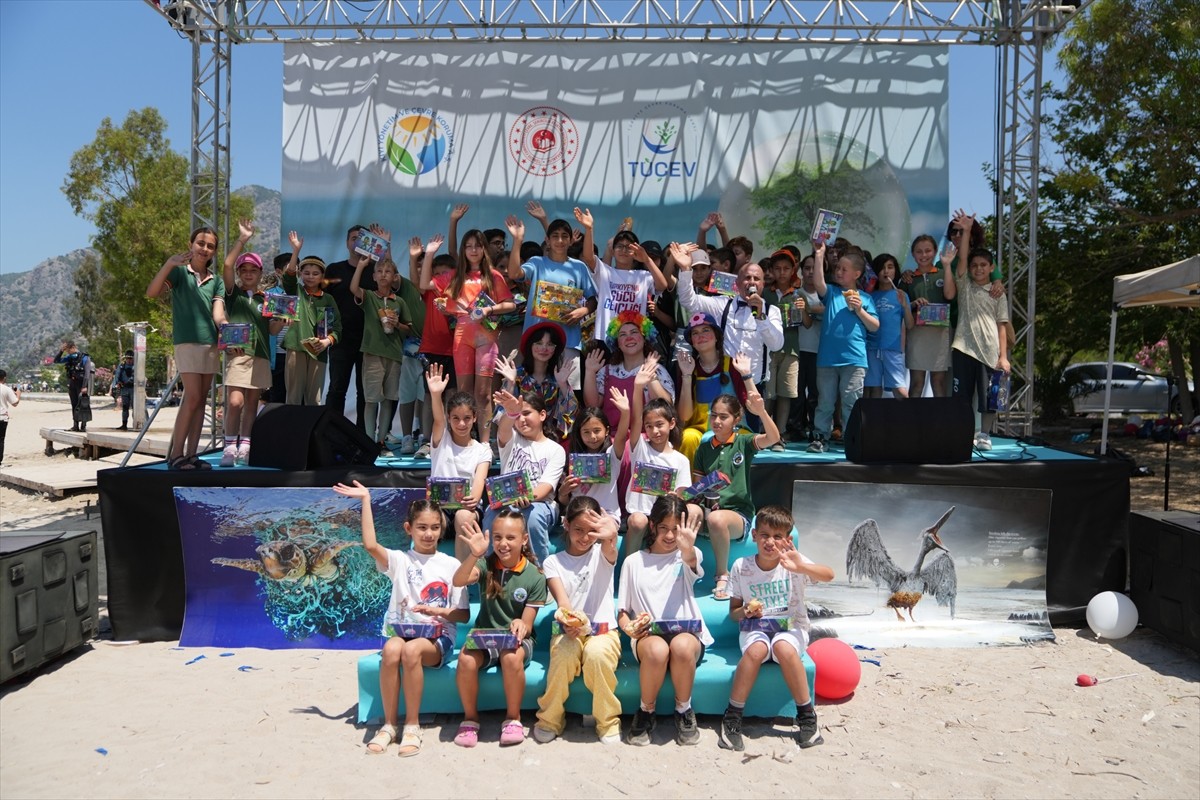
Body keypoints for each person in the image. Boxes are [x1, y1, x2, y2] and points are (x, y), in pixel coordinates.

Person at [332, 482, 469, 757]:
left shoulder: (451, 565)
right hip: (403, 633)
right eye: (421, 527)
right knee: (393, 648)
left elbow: (462, 615)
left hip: (437, 640)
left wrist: (439, 613)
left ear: (442, 530)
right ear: (409, 529)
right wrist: (366, 500)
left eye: (434, 527)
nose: (428, 534)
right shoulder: (399, 560)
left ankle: (412, 724)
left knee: (410, 648)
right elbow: (370, 545)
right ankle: (389, 724)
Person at [720, 504, 834, 752]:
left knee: (783, 646)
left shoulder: (794, 562)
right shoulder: (742, 566)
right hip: (755, 627)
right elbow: (733, 614)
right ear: (754, 536)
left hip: (791, 627)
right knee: (756, 650)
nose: (770, 542)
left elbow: (829, 575)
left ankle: (806, 715)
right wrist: (746, 612)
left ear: (787, 539)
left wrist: (800, 567)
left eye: (777, 536)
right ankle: (733, 715)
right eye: (764, 535)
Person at [617, 495, 713, 747]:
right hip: (648, 636)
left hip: (687, 634)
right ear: (652, 526)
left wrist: (688, 548)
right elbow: (623, 611)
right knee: (657, 650)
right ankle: (646, 711)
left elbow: (693, 564)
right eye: (664, 528)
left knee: (681, 647)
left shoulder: (687, 555)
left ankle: (684, 709)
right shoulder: (633, 562)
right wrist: (630, 628)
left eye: (675, 530)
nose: (670, 536)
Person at [453, 510, 548, 748]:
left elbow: (527, 623)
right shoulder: (486, 565)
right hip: (485, 635)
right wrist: (474, 555)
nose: (503, 544)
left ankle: (513, 718)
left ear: (524, 539)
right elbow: (458, 580)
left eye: (510, 538)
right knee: (465, 659)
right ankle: (470, 719)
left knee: (511, 657)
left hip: (518, 639)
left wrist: (520, 624)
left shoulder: (535, 576)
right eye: (497, 537)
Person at [532, 496, 623, 745]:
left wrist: (609, 534)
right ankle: (550, 719)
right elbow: (563, 603)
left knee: (597, 655)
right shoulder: (553, 562)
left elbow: (610, 549)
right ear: (566, 525)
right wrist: (570, 622)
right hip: (568, 628)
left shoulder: (601, 553)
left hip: (604, 632)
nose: (585, 537)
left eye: (591, 531)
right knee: (563, 654)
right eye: (578, 530)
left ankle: (607, 720)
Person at [423, 229, 516, 443]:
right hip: (462, 335)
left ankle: (484, 442)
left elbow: (510, 304)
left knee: (483, 394)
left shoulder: (493, 276)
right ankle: (461, 441)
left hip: (486, 337)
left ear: (484, 249)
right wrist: (428, 254)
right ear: (463, 250)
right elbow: (424, 284)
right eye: (469, 246)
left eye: (478, 246)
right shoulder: (455, 276)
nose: (473, 250)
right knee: (463, 394)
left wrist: (488, 310)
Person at [146, 227, 226, 470]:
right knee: (191, 397)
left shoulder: (217, 280)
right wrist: (169, 264)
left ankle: (192, 455)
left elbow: (218, 315)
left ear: (214, 251)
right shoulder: (180, 273)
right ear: (191, 244)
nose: (204, 248)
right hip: (187, 343)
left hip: (211, 344)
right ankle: (176, 455)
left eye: (210, 245)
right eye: (200, 243)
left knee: (202, 399)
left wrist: (231, 333)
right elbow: (152, 293)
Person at [692, 383, 781, 599]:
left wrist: (761, 412)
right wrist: (689, 493)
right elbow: (697, 488)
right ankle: (685, 571)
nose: (717, 421)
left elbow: (773, 438)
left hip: (737, 515)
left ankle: (722, 575)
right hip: (709, 511)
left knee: (717, 520)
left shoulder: (744, 442)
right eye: (714, 416)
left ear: (736, 420)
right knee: (689, 511)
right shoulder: (703, 448)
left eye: (723, 417)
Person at [672, 241, 784, 393]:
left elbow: (777, 345)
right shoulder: (723, 305)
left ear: (763, 284)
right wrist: (685, 270)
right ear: (737, 283)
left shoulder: (772, 311)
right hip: (725, 383)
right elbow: (688, 300)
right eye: (747, 278)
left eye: (756, 279)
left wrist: (760, 317)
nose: (751, 282)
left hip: (755, 385)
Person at [506, 213, 597, 391]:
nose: (560, 240)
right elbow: (514, 274)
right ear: (547, 240)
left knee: (568, 392)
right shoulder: (537, 263)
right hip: (538, 342)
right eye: (555, 236)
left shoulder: (578, 267)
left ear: (571, 241)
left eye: (565, 236)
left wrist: (583, 311)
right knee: (534, 390)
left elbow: (593, 299)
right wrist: (517, 240)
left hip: (569, 341)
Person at [618, 363, 702, 556]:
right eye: (649, 426)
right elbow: (636, 419)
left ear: (671, 423)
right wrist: (638, 387)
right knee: (638, 522)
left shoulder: (680, 460)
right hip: (640, 513)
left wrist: (675, 496)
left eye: (659, 425)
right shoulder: (639, 448)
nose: (654, 431)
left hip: (666, 518)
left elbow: (681, 494)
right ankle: (628, 566)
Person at [221, 221, 284, 466]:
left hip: (261, 354)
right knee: (235, 402)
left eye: (253, 270)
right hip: (238, 353)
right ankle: (229, 447)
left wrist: (282, 320)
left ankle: (245, 446)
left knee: (251, 404)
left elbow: (273, 329)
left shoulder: (266, 299)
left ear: (260, 274)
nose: (248, 273)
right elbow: (226, 264)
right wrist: (242, 240)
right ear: (239, 274)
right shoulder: (232, 293)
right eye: (244, 270)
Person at [807, 241, 880, 453]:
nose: (838, 272)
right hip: (828, 359)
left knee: (851, 402)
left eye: (844, 269)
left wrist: (859, 310)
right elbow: (819, 281)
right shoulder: (831, 293)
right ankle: (820, 437)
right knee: (825, 403)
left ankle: (852, 438)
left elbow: (875, 326)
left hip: (855, 360)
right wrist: (819, 254)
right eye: (837, 268)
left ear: (857, 274)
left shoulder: (865, 298)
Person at [950, 219, 1011, 450]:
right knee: (961, 398)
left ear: (991, 267)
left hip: (990, 352)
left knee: (989, 399)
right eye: (975, 265)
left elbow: (1002, 325)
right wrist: (965, 231)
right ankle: (962, 434)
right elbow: (963, 258)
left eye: (983, 265)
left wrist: (1003, 357)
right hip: (963, 349)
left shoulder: (998, 293)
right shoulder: (964, 286)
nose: (978, 269)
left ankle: (984, 435)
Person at [486, 388, 566, 565]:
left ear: (542, 415)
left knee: (533, 516)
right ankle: (490, 573)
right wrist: (511, 412)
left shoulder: (555, 449)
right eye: (518, 416)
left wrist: (528, 497)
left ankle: (540, 574)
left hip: (540, 504)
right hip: (507, 502)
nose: (521, 419)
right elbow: (505, 426)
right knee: (491, 514)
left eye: (527, 413)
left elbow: (546, 487)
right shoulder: (512, 439)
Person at [425, 364, 492, 559]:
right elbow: (438, 421)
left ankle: (461, 582)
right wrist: (436, 394)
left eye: (466, 418)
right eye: (455, 418)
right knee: (426, 515)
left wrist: (471, 499)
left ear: (474, 418)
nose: (461, 424)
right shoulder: (441, 439)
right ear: (449, 418)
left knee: (463, 516)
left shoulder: (482, 450)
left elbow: (479, 482)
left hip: (468, 510)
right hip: (440, 510)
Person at [350, 248, 412, 447]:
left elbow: (408, 329)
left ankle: (381, 440)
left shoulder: (399, 301)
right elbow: (353, 289)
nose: (384, 274)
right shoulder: (369, 296)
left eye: (388, 272)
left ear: (395, 277)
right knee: (371, 398)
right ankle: (369, 439)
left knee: (388, 399)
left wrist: (397, 325)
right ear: (374, 276)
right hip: (372, 353)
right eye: (380, 271)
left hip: (394, 354)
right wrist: (360, 266)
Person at [583, 310, 674, 432]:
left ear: (644, 338)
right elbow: (592, 405)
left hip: (647, 439)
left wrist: (650, 375)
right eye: (623, 335)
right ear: (617, 343)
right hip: (611, 441)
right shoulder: (606, 371)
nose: (629, 338)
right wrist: (589, 372)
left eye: (634, 332)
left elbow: (666, 407)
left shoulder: (658, 370)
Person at [675, 316, 749, 464]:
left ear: (717, 337)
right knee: (688, 438)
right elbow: (684, 416)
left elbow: (750, 406)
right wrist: (687, 375)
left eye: (705, 330)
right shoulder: (687, 368)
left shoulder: (733, 365)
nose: (700, 336)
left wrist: (747, 375)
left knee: (739, 439)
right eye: (695, 333)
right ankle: (688, 486)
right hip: (700, 430)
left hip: (734, 428)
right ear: (692, 342)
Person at [323, 224, 376, 431]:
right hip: (340, 338)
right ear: (347, 243)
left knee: (366, 393)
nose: (357, 242)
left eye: (362, 239)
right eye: (354, 238)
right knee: (337, 389)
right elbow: (322, 301)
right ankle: (331, 433)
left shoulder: (375, 271)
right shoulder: (334, 269)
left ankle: (363, 435)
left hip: (369, 340)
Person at [281, 239, 342, 406]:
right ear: (301, 274)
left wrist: (326, 342)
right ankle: (292, 433)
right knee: (293, 397)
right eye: (306, 273)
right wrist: (296, 251)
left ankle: (311, 432)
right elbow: (289, 277)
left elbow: (337, 328)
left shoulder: (328, 299)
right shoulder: (296, 291)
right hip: (295, 348)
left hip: (318, 352)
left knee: (314, 400)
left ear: (322, 276)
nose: (310, 277)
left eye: (315, 273)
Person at [495, 321, 576, 442]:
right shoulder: (516, 375)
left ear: (555, 349)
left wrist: (563, 385)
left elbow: (570, 419)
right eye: (539, 343)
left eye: (549, 344)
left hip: (549, 441)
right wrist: (511, 383)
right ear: (530, 346)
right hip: (518, 440)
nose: (544, 348)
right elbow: (500, 417)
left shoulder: (558, 378)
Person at [901, 234, 957, 398]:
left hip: (939, 335)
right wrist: (913, 304)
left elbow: (950, 294)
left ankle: (939, 423)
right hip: (917, 334)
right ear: (913, 254)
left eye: (928, 251)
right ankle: (913, 422)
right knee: (916, 383)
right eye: (919, 251)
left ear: (934, 252)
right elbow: (901, 306)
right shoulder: (908, 279)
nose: (923, 255)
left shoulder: (942, 274)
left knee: (938, 382)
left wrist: (947, 266)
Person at [764, 249, 805, 449]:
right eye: (778, 268)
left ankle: (778, 435)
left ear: (793, 270)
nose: (782, 272)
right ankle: (765, 434)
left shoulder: (799, 293)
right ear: (770, 270)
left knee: (785, 394)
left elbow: (807, 324)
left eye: (786, 268)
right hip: (769, 351)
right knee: (768, 394)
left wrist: (804, 309)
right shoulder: (765, 292)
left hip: (791, 350)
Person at [557, 407, 624, 526]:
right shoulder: (572, 459)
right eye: (586, 432)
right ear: (579, 433)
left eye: (597, 430)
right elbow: (565, 500)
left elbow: (621, 436)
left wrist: (625, 412)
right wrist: (563, 492)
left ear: (607, 431)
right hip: (578, 514)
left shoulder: (612, 455)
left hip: (606, 515)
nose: (592, 436)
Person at [864, 253, 914, 400]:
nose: (886, 271)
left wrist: (905, 306)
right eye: (882, 268)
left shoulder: (901, 295)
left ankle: (905, 421)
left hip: (893, 349)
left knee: (900, 390)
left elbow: (910, 325)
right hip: (872, 347)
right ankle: (874, 422)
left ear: (896, 271)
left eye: (890, 267)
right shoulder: (869, 296)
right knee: (873, 389)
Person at [265, 253, 293, 404]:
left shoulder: (304, 293)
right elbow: (269, 326)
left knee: (296, 399)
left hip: (297, 354)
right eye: (290, 268)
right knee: (277, 397)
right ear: (278, 272)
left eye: (297, 268)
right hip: (278, 355)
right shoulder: (271, 295)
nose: (294, 272)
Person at [54, 341, 94, 433]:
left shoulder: (85, 358)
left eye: (68, 350)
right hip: (73, 383)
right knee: (74, 404)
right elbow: (56, 361)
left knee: (83, 404)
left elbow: (87, 373)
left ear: (73, 348)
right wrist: (61, 351)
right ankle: (75, 425)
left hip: (81, 384)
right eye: (66, 351)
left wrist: (84, 386)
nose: (68, 353)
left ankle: (83, 426)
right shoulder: (70, 358)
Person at [0, 369, 20, 466]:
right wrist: (18, 395)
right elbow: (15, 403)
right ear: (4, 378)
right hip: (2, 417)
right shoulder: (6, 389)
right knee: (0, 439)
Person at [112, 351, 135, 430]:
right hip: (124, 388)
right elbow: (117, 375)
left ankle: (136, 424)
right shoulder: (122, 366)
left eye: (130, 358)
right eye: (127, 358)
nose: (129, 360)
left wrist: (128, 382)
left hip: (133, 389)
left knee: (135, 407)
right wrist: (117, 383)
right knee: (125, 407)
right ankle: (124, 424)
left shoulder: (135, 366)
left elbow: (136, 376)